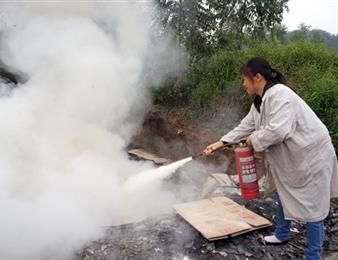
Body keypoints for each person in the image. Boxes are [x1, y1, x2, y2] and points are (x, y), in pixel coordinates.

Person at [202, 57, 338, 260]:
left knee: (313, 208)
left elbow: (279, 130)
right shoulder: (259, 102)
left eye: (244, 79)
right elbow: (245, 126)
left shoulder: (281, 94)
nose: (243, 84)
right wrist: (220, 143)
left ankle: (313, 255)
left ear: (257, 77)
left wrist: (252, 140)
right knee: (283, 190)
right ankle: (282, 234)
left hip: (312, 157)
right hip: (294, 159)